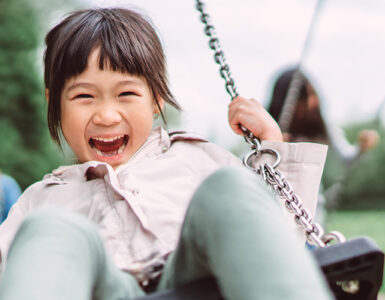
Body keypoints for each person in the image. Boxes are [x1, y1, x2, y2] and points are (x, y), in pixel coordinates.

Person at [0, 8, 333, 300]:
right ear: (54, 102)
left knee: (230, 188)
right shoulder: (39, 201)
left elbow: (278, 241)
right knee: (51, 228)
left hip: (199, 283)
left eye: (126, 93)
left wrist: (272, 145)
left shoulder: (199, 160)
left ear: (156, 99)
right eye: (84, 96)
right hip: (103, 290)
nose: (106, 115)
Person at [267, 67, 379, 223]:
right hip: (275, 204)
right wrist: (274, 145)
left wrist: (361, 147)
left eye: (313, 95)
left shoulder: (322, 127)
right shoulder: (270, 128)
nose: (312, 102)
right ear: (286, 100)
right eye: (304, 97)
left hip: (310, 208)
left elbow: (346, 159)